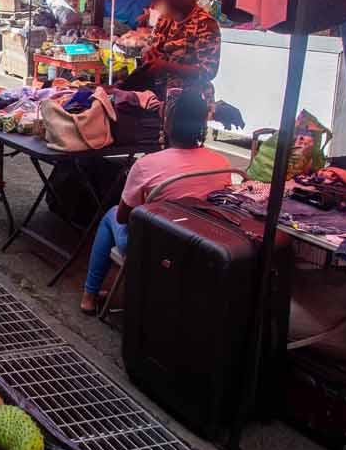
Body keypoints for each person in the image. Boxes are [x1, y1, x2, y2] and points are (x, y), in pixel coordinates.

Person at [79, 87, 232, 314]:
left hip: (152, 250)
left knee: (110, 215)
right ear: (203, 125)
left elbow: (123, 217)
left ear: (168, 125)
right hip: (201, 250)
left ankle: (89, 297)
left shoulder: (146, 165)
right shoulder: (222, 163)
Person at [126, 0, 220, 134]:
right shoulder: (165, 19)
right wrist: (149, 55)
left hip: (189, 109)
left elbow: (208, 71)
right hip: (160, 103)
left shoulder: (206, 24)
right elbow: (154, 48)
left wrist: (166, 66)